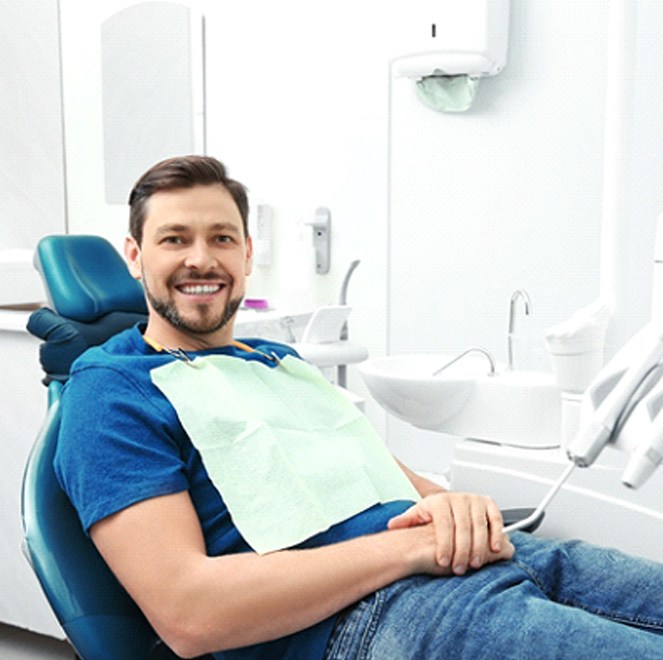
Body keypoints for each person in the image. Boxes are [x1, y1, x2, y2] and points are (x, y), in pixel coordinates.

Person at [55, 155, 663, 660]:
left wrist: (456, 508)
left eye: (220, 238)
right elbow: (189, 612)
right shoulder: (111, 392)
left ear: (245, 254)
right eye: (174, 240)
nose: (200, 259)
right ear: (134, 255)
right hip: (367, 617)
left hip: (487, 561)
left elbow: (387, 480)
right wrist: (410, 550)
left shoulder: (280, 362)